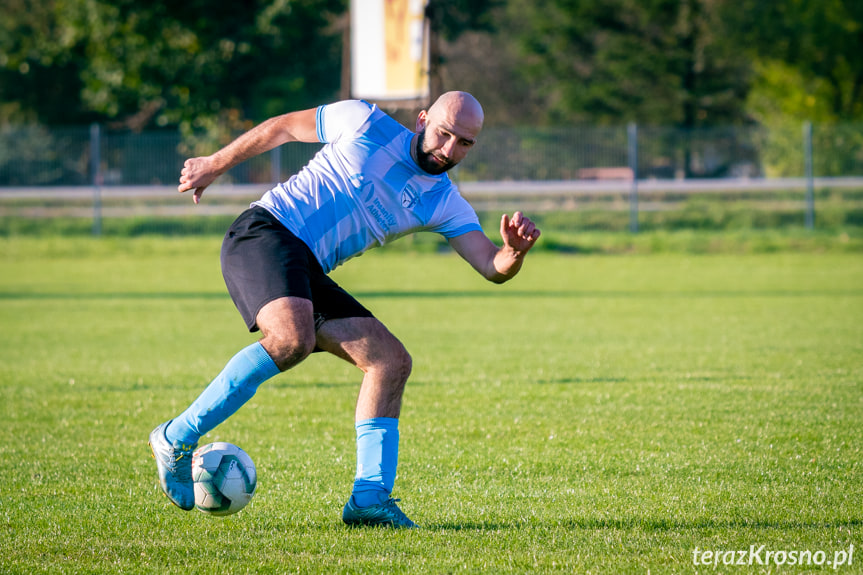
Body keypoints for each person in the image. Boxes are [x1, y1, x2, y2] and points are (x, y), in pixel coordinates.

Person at [148, 91, 540, 528]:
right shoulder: (363, 121)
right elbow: (281, 127)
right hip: (267, 232)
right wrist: (214, 163)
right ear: (422, 119)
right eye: (444, 134)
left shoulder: (443, 201)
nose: (449, 150)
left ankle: (369, 498)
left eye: (464, 143)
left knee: (390, 362)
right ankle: (176, 437)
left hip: (308, 270)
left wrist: (513, 252)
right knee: (293, 338)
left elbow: (491, 266)